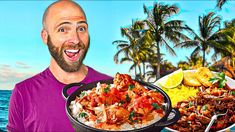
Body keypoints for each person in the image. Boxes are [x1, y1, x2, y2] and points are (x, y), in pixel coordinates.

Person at [7, 1, 111, 131]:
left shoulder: (112, 87)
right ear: (45, 37)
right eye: (63, 29)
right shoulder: (23, 93)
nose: (76, 39)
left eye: (81, 28)